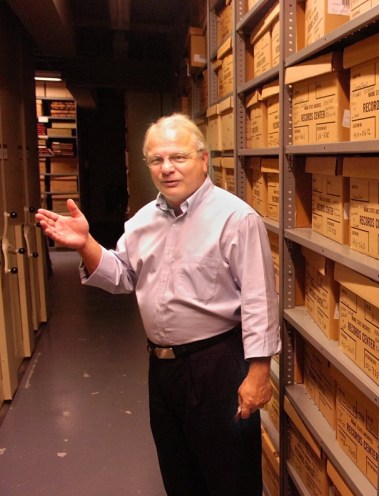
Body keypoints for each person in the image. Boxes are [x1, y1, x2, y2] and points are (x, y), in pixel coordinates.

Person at [35, 113, 280, 495]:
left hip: (217, 366)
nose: (167, 168)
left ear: (203, 159)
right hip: (163, 368)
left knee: (231, 478)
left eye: (178, 157)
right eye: (156, 159)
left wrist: (259, 372)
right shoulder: (142, 220)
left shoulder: (235, 218)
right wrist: (87, 245)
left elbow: (259, 299)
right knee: (179, 473)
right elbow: (122, 276)